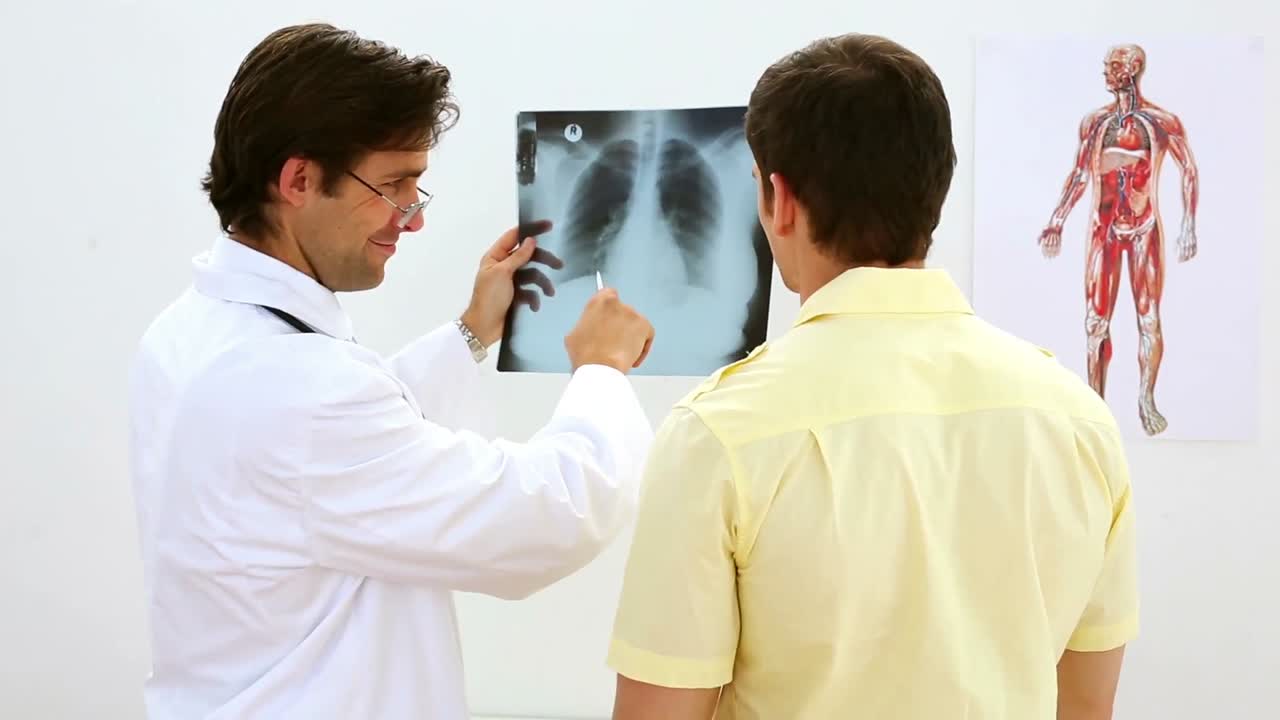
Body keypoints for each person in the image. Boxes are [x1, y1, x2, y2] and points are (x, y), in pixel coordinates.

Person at [127, 23, 655, 720]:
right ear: (299, 179)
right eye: (393, 186)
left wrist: (472, 331)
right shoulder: (298, 391)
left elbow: (334, 467)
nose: (413, 221)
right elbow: (544, 519)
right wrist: (603, 372)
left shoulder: (191, 330)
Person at [605, 34, 1138, 720]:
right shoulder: (1080, 422)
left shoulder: (719, 435)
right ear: (936, 186)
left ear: (780, 198)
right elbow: (1087, 708)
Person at [1039, 43, 1200, 436]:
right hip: (1103, 229)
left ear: (1133, 69)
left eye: (1113, 66)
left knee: (1148, 318)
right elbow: (1080, 174)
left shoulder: (1161, 121)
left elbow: (1189, 170)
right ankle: (1096, 406)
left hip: (1144, 227)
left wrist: (1189, 224)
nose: (1106, 72)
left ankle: (1146, 398)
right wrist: (1057, 219)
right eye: (1107, 65)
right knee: (1096, 322)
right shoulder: (1094, 122)